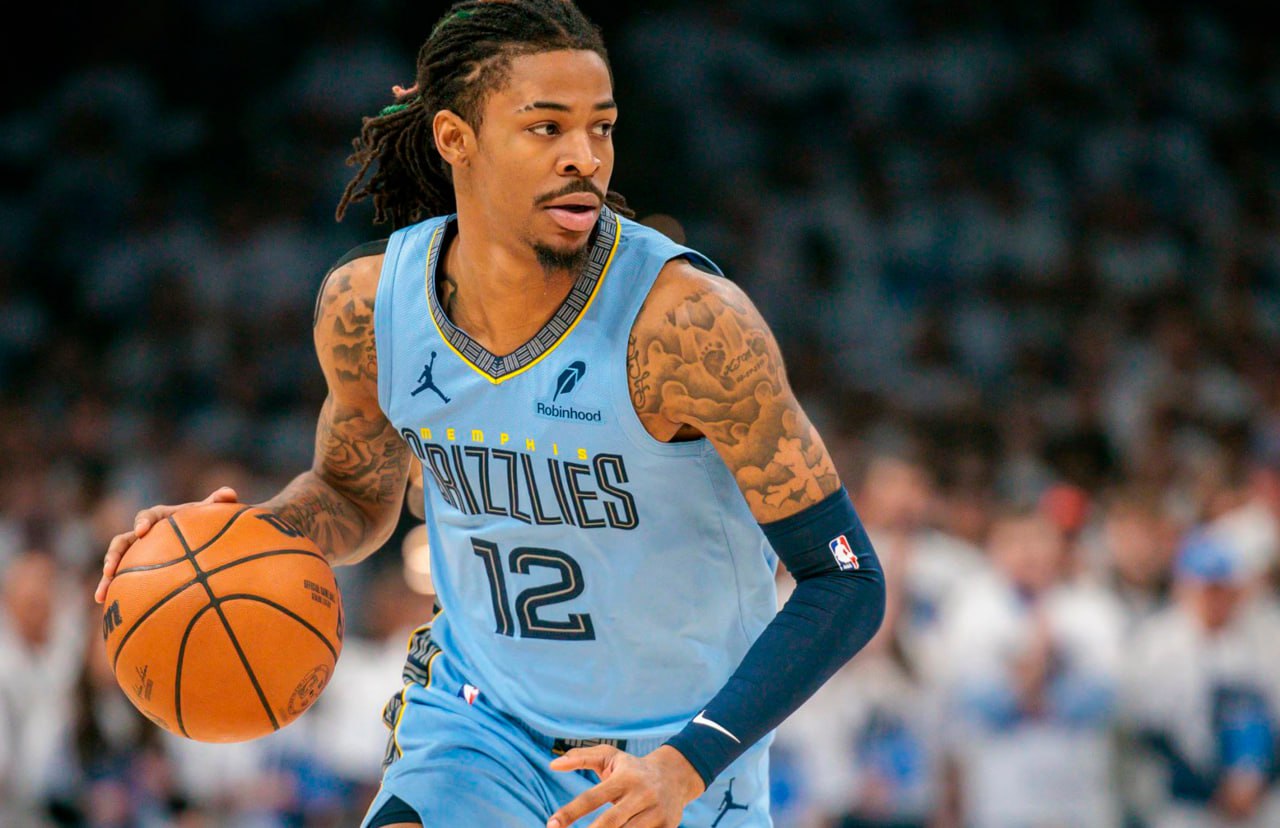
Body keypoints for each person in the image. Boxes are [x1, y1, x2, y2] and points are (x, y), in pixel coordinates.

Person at [95, 2, 886, 826]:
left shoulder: (687, 328)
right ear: (455, 138)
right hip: (478, 727)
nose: (585, 158)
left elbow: (847, 579)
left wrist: (688, 763)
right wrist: (244, 537)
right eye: (546, 128)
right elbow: (353, 495)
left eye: (602, 127)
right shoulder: (369, 308)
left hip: (670, 759)